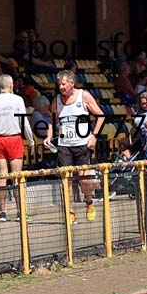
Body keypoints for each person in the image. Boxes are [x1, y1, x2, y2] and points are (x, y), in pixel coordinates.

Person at [44, 70, 106, 223]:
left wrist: (94, 136)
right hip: (64, 146)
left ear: (72, 83)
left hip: (82, 144)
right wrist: (49, 136)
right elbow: (52, 120)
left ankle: (89, 201)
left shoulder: (83, 96)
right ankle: (70, 213)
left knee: (85, 179)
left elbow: (101, 116)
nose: (61, 87)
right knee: (68, 179)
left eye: (64, 84)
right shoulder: (57, 100)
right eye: (59, 85)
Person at [0, 74, 34, 222]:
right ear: (12, 86)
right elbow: (24, 123)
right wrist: (31, 141)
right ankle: (21, 212)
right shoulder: (17, 100)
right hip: (14, 138)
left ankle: (2, 211)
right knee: (17, 175)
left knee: (2, 174)